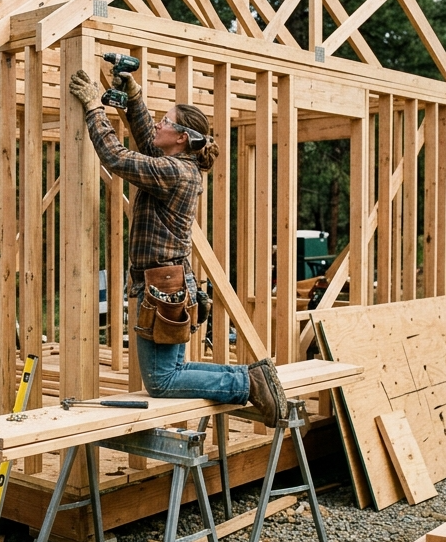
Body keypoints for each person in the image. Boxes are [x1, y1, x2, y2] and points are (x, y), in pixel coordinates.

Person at [67, 67, 288, 426]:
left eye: (165, 121)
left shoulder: (174, 173)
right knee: (173, 370)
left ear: (182, 138)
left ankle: (247, 382)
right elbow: (148, 140)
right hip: (165, 284)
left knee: (163, 381)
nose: (158, 123)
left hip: (163, 287)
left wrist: (95, 108)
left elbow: (117, 157)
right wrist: (134, 99)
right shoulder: (176, 166)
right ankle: (251, 377)